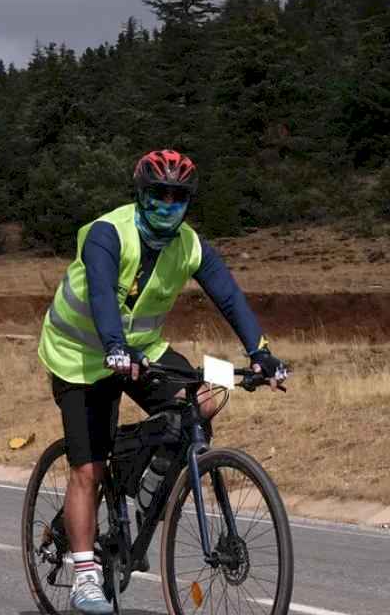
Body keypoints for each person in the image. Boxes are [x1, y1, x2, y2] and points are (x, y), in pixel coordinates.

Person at [36, 150, 290, 614]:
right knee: (88, 468)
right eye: (158, 194)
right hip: (80, 355)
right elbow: (101, 294)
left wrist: (261, 354)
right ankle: (86, 575)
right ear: (141, 194)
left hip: (141, 349)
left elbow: (229, 295)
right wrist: (114, 346)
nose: (167, 205)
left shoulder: (189, 245)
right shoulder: (107, 234)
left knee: (208, 396)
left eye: (178, 197)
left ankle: (147, 480)